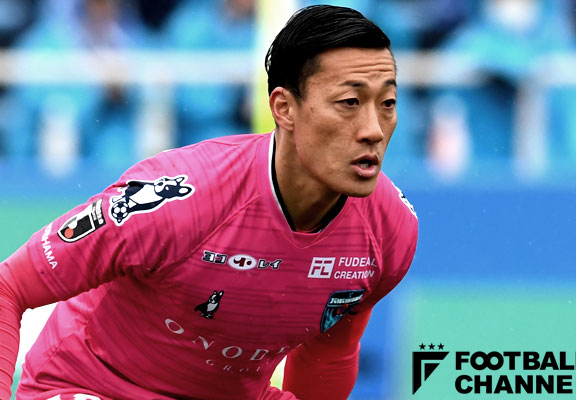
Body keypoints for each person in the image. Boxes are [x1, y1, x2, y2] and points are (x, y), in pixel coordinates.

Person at [0, 5, 418, 400]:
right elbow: (9, 286)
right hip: (95, 386)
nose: (373, 130)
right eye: (349, 103)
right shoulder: (177, 200)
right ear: (284, 109)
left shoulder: (390, 228)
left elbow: (329, 355)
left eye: (387, 103)